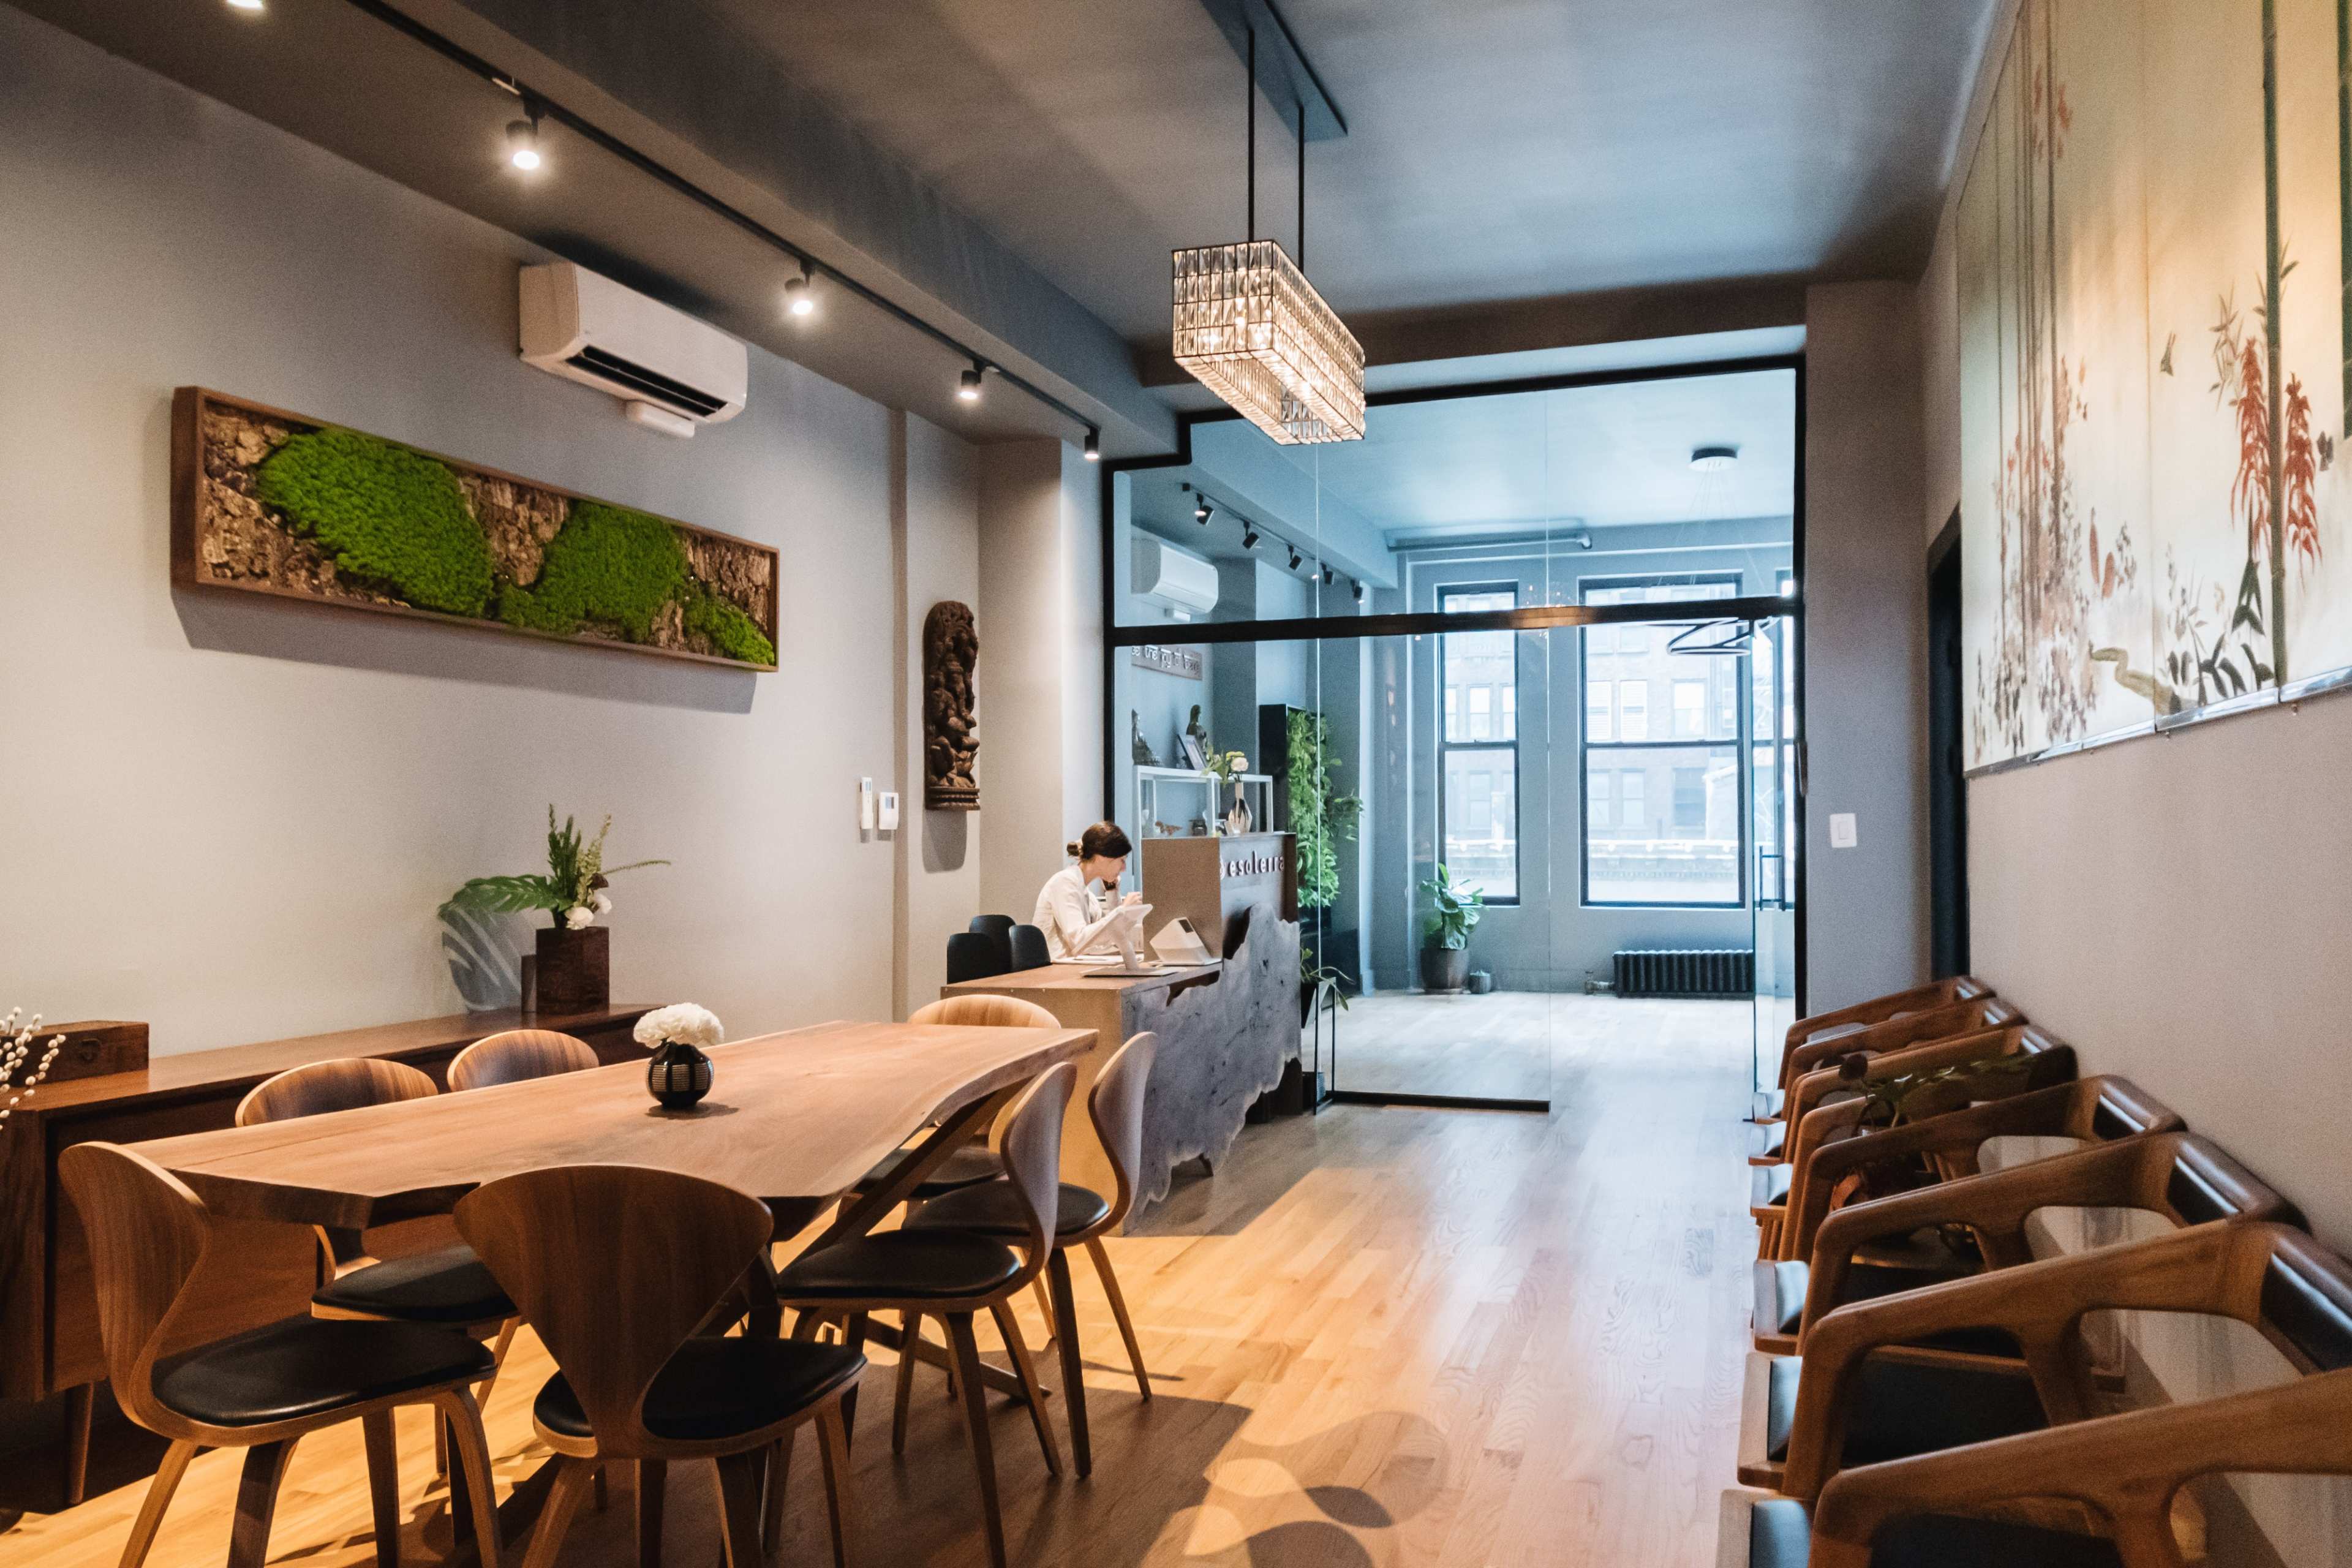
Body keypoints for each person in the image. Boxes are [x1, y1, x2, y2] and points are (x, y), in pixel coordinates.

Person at [1034, 822, 1141, 961]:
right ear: (1102, 857)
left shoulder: (1088, 895)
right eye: (1122, 860)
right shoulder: (1064, 882)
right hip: (1055, 972)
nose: (1124, 868)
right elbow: (1079, 940)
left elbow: (1110, 936)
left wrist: (1113, 894)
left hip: (1073, 969)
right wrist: (1122, 911)